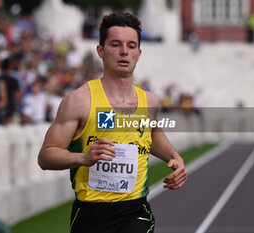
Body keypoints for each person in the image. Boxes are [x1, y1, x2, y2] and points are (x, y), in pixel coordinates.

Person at [38, 12, 187, 233]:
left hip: (134, 210)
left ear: (139, 52)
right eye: (116, 44)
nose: (124, 51)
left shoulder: (149, 101)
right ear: (100, 50)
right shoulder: (80, 101)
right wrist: (83, 158)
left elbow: (151, 134)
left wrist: (175, 158)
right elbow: (46, 156)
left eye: (131, 45)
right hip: (90, 213)